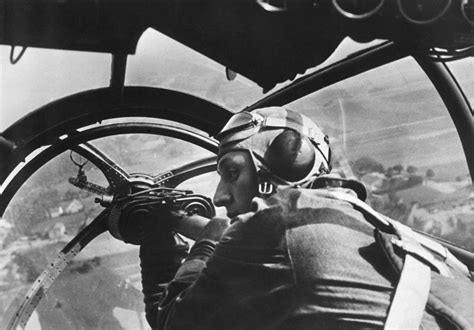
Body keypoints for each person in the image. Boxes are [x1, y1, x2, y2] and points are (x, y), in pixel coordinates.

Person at [140, 107, 474, 329]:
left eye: (232, 173)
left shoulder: (274, 224)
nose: (219, 196)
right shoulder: (362, 219)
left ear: (277, 168)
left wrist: (203, 239)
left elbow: (168, 320)